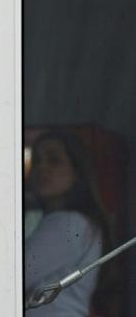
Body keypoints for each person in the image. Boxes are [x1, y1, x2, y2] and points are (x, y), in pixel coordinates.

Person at [24, 130, 115, 316]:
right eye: (37, 161)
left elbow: (15, 275)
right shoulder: (80, 222)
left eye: (54, 160)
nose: (42, 168)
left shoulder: (69, 222)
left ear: (77, 172)